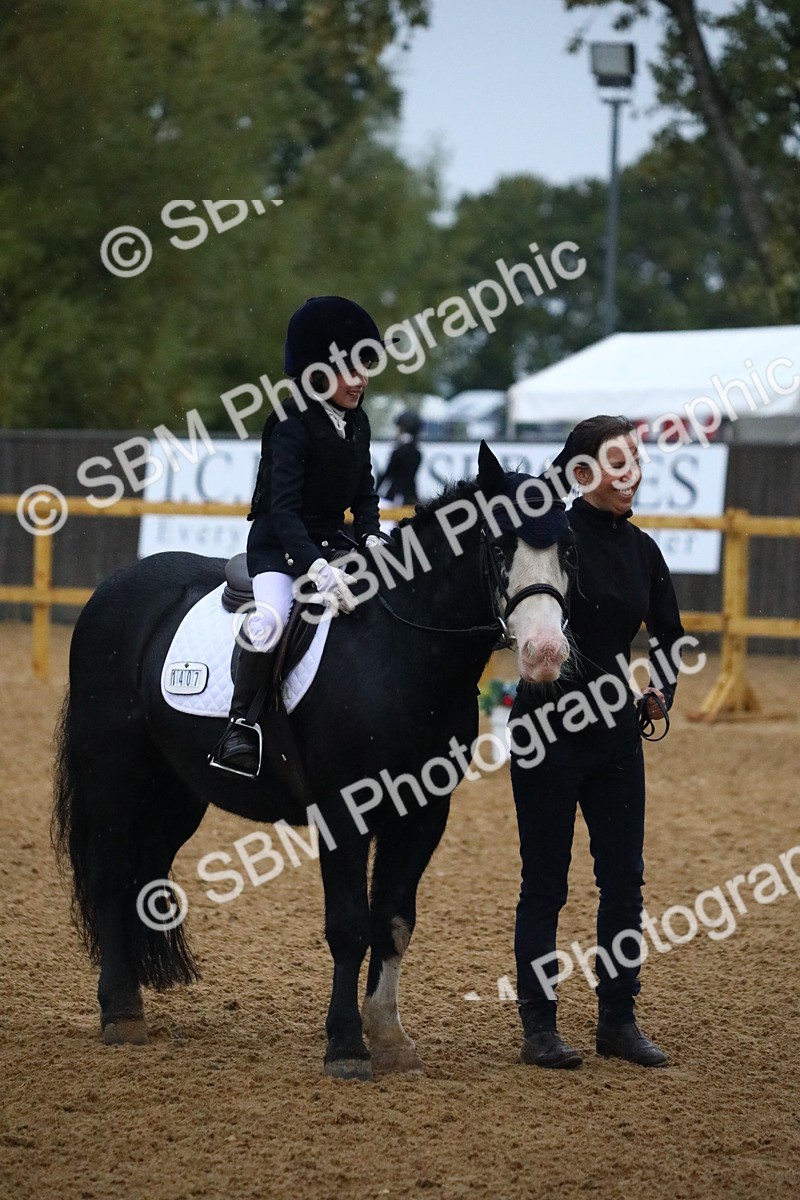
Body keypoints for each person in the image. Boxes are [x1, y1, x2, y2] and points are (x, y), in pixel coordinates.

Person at [511, 415, 684, 1069]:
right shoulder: (549, 542)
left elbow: (668, 631)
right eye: (616, 461)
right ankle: (540, 1028)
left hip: (615, 737)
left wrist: (660, 687)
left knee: (623, 884)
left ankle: (618, 1020)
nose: (629, 473)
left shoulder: (642, 550)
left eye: (634, 459)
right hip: (547, 732)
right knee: (544, 886)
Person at [210, 295, 386, 778]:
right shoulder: (290, 425)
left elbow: (365, 492)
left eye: (365, 366)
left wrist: (371, 538)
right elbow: (283, 511)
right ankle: (241, 725)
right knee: (268, 622)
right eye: (350, 369)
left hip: (332, 542)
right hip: (278, 547)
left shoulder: (358, 423)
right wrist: (313, 566)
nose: (361, 380)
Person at [376, 410, 423, 506]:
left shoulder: (400, 451)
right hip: (411, 497)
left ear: (403, 427)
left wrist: (375, 491)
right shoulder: (417, 452)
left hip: (394, 497)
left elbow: (388, 474)